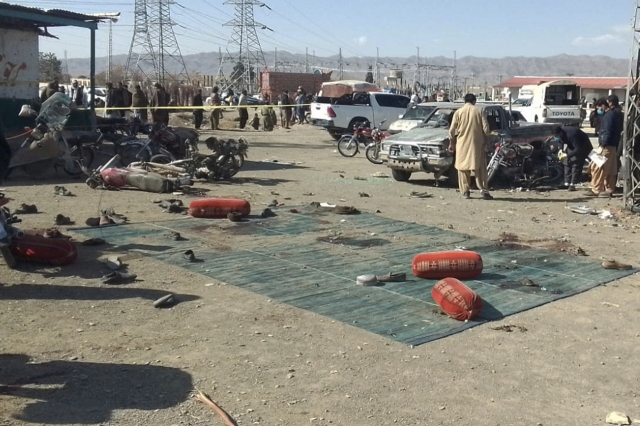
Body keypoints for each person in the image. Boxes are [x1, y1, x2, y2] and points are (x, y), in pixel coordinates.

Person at [448, 93, 493, 200]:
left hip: (462, 144)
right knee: (480, 168)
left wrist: (452, 144)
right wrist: (487, 140)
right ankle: (483, 190)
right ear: (474, 101)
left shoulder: (458, 112)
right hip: (477, 145)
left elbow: (451, 131)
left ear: (464, 101)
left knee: (462, 168)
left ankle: (465, 191)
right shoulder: (480, 111)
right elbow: (486, 130)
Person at [586, 95, 623, 197]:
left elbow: (607, 130)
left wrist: (602, 145)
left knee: (598, 166)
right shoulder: (618, 113)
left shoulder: (609, 115)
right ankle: (609, 189)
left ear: (604, 105)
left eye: (599, 107)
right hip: (613, 145)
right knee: (611, 168)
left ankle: (596, 189)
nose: (598, 110)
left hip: (606, 145)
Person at [553, 125, 592, 191]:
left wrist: (567, 155)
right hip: (572, 145)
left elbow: (577, 148)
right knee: (566, 162)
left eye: (557, 135)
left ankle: (573, 184)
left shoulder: (572, 135)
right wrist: (560, 149)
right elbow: (560, 141)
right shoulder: (560, 134)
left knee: (575, 163)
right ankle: (566, 183)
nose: (556, 137)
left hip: (582, 145)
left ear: (560, 133)